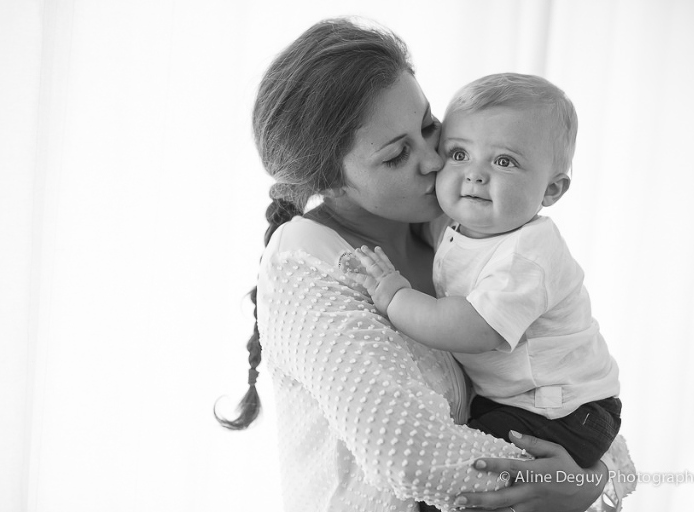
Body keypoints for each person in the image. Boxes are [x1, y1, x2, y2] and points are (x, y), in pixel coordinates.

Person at [218, 17, 635, 512]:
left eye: (429, 127)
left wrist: (592, 477)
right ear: (329, 181)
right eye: (398, 155)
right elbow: (408, 456)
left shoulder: (462, 231)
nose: (437, 162)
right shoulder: (305, 262)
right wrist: (570, 479)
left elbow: (574, 379)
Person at [348, 73, 621, 470]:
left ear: (551, 191)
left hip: (563, 411)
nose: (475, 174)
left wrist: (395, 297)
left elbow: (475, 329)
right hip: (521, 400)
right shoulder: (460, 224)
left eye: (504, 161)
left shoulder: (527, 253)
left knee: (457, 472)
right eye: (459, 154)